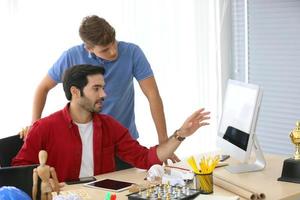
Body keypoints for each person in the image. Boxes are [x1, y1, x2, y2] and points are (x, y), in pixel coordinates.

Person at [21, 15, 179, 166]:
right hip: (85, 143)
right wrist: (35, 128)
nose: (113, 52)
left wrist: (163, 140)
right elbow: (43, 88)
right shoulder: (71, 56)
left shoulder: (132, 52)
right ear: (88, 48)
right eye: (105, 50)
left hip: (122, 143)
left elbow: (152, 95)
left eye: (113, 43)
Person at [13, 64, 210, 182]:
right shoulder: (45, 127)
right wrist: (44, 178)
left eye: (103, 88)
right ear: (75, 91)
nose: (104, 94)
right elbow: (18, 172)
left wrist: (181, 134)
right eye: (96, 89)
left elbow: (145, 158)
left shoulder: (109, 125)